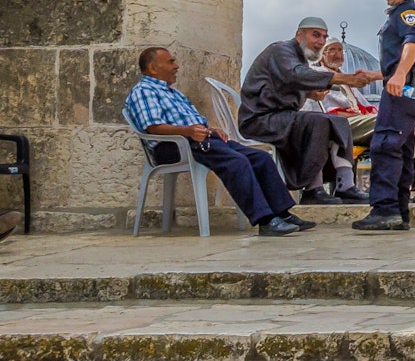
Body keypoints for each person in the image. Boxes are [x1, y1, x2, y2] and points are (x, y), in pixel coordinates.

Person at [124, 47, 313, 236]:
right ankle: (265, 221)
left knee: (260, 157)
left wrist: (209, 130)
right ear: (153, 68)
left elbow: (191, 121)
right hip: (173, 145)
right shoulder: (144, 91)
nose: (177, 66)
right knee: (236, 162)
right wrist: (188, 131)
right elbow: (153, 128)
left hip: (197, 139)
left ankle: (283, 214)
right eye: (171, 62)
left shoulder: (172, 92)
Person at [239, 17, 380, 204]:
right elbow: (295, 75)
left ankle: (345, 185)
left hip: (281, 118)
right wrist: (346, 79)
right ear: (299, 35)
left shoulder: (298, 59)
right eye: (316, 35)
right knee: (319, 122)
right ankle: (313, 189)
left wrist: (310, 93)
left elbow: (287, 86)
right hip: (260, 120)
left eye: (324, 36)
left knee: (337, 122)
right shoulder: (281, 50)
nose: (320, 41)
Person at [355, 0, 415, 231]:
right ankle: (399, 212)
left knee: (384, 144)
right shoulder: (401, 14)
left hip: (401, 91)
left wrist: (398, 75)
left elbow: (413, 45)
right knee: (400, 148)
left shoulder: (406, 13)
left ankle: (385, 210)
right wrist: (379, 74)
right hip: (407, 89)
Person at [306, 38, 375, 202]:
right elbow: (324, 112)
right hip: (336, 125)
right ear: (322, 56)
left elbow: (364, 106)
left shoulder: (344, 80)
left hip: (354, 124)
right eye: (332, 50)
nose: (337, 54)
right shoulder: (320, 76)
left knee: (390, 133)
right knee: (385, 124)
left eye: (339, 50)